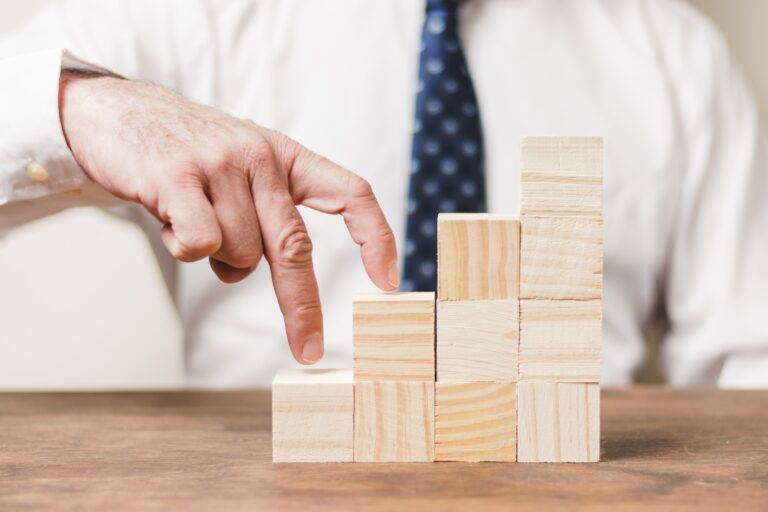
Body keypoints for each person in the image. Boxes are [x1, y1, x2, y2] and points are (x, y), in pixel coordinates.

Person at [1, 0, 767, 387]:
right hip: (264, 475)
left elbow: (749, 364)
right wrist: (78, 105)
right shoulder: (187, 14)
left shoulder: (672, 51)